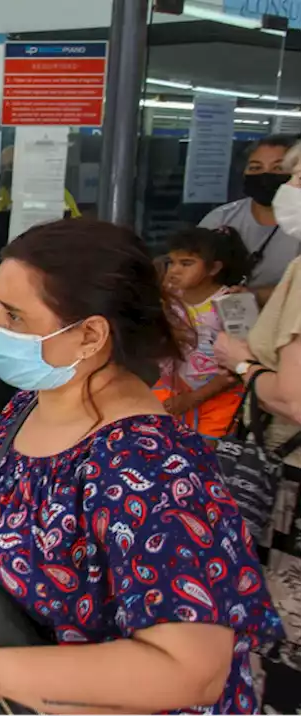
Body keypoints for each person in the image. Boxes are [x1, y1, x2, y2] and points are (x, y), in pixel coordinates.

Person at [0, 219, 280, 715]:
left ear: (89, 334)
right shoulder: (30, 404)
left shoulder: (149, 468)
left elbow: (192, 670)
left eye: (15, 316)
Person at [213, 143, 302, 713]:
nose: (288, 185)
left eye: (295, 174)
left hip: (292, 481)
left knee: (284, 641)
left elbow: (293, 397)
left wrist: (242, 363)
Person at [152, 226, 250, 440]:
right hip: (171, 391)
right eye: (172, 262)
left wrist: (193, 398)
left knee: (206, 463)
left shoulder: (233, 303)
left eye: (186, 263)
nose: (175, 270)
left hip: (218, 399)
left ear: (213, 268)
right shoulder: (168, 299)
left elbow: (243, 365)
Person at [200, 134, 301, 304]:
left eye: (278, 168)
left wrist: (256, 296)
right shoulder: (222, 218)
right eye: (255, 168)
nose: (265, 175)